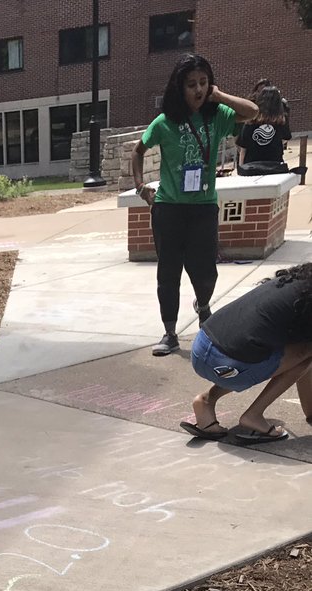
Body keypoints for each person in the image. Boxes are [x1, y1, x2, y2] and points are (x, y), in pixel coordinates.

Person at [131, 54, 258, 357]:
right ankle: (170, 332)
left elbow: (252, 112)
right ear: (180, 88)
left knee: (205, 272)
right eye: (192, 85)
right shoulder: (164, 123)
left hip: (203, 207)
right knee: (169, 272)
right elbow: (137, 151)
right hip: (169, 208)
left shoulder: (218, 116)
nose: (198, 90)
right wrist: (141, 188)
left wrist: (218, 94)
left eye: (203, 83)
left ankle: (203, 305)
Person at [180, 263, 312, 444]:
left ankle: (205, 401)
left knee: (261, 351)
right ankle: (254, 415)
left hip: (201, 348)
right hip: (229, 363)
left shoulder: (295, 281)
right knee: (305, 355)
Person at [237, 86, 291, 175]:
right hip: (274, 166)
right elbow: (285, 139)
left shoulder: (250, 121)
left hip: (251, 167)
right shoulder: (281, 121)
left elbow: (243, 148)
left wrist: (241, 169)